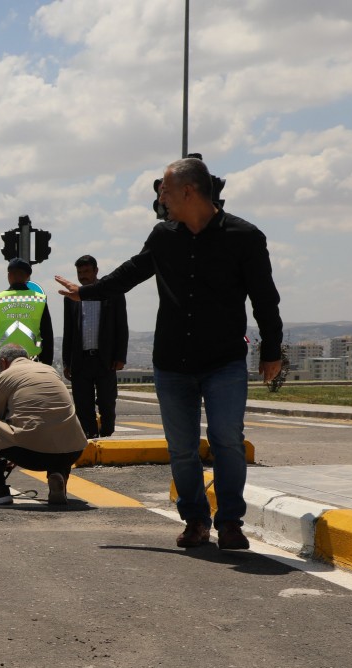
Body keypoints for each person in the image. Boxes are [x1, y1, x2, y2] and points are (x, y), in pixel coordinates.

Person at [55, 156, 283, 551]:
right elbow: (130, 273)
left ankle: (230, 522)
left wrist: (272, 351)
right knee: (181, 448)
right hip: (172, 362)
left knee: (227, 440)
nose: (160, 195)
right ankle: (196, 519)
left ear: (187, 191)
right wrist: (85, 292)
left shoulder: (244, 237)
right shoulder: (163, 236)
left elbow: (265, 298)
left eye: (164, 188)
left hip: (224, 360)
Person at [0, 344, 86, 507]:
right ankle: (58, 474)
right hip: (72, 451)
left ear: (3, 362)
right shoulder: (50, 370)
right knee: (57, 424)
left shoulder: (4, 377)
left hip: (33, 454)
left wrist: (11, 450)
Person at [62, 254, 129, 438]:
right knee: (83, 404)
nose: (83, 275)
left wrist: (120, 356)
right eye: (79, 272)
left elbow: (121, 326)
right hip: (81, 360)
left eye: (86, 271)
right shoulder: (71, 298)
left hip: (105, 359)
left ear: (96, 271)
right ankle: (89, 436)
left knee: (107, 402)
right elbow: (68, 331)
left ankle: (107, 433)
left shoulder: (113, 294)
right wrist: (67, 361)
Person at [0, 257, 54, 368]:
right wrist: (47, 361)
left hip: (5, 359)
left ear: (9, 275)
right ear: (27, 277)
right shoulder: (39, 300)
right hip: (32, 357)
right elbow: (47, 333)